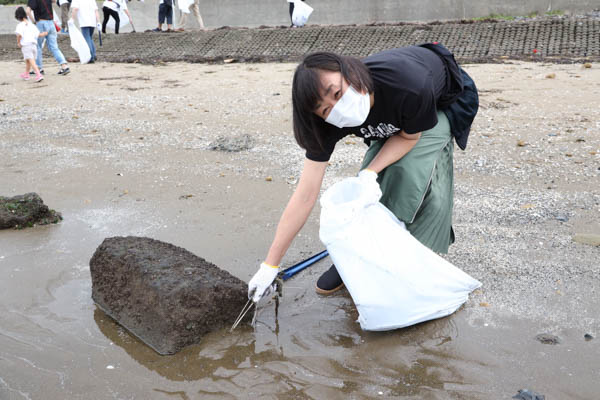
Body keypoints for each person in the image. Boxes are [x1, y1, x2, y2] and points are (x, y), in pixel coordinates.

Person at [248, 43, 479, 302]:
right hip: (392, 117)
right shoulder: (324, 124)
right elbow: (305, 194)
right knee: (363, 191)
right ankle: (358, 257)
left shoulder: (407, 82)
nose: (336, 107)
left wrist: (371, 171)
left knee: (411, 174)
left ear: (348, 70)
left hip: (440, 100)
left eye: (336, 93)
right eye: (325, 109)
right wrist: (270, 265)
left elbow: (409, 137)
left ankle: (416, 259)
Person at [26, 0, 70, 75]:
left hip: (41, 23)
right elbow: (55, 1)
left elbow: (27, 11)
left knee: (38, 46)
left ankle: (39, 68)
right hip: (51, 23)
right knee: (54, 47)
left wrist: (34, 21)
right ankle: (64, 65)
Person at [15, 6, 47, 82]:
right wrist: (45, 33)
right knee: (28, 60)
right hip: (33, 45)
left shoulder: (20, 25)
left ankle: (38, 74)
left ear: (18, 17)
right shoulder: (31, 25)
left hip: (26, 45)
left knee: (31, 61)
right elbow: (38, 34)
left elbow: (19, 35)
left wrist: (18, 42)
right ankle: (26, 74)